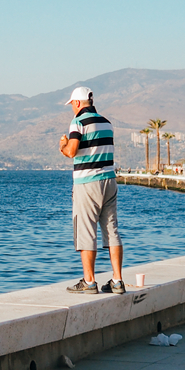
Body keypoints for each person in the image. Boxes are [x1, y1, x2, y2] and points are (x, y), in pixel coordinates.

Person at [60, 87, 125, 295]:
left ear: (77, 103)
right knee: (111, 230)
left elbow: (71, 151)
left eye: (72, 105)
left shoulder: (78, 122)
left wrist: (62, 145)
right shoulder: (106, 122)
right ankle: (117, 280)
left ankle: (89, 282)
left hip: (87, 183)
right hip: (109, 180)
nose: (72, 108)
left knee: (86, 231)